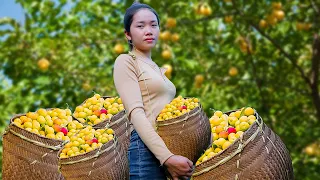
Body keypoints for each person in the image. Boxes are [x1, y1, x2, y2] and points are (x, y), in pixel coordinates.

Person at [113, 2, 194, 180]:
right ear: (128, 34)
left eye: (153, 25)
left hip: (167, 147)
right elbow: (136, 114)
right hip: (146, 152)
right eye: (140, 26)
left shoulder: (155, 67)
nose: (148, 30)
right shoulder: (126, 61)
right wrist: (166, 158)